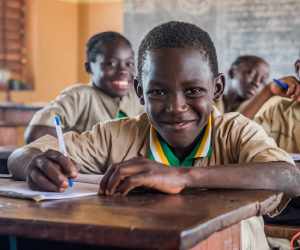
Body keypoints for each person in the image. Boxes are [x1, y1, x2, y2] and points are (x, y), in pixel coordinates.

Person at [8, 22, 300, 250]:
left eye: (194, 90)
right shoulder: (116, 134)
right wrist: (34, 164)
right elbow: (24, 153)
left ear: (217, 88)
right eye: (157, 92)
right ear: (139, 91)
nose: (176, 107)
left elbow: (289, 177)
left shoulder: (236, 131)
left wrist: (180, 176)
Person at [24, 31, 145, 144]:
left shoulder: (137, 97)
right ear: (89, 67)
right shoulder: (78, 96)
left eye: (129, 64)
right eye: (111, 63)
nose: (123, 71)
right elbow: (37, 133)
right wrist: (93, 146)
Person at [240, 56, 300, 250]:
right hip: (276, 197)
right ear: (298, 68)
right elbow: (234, 132)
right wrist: (267, 91)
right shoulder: (279, 110)